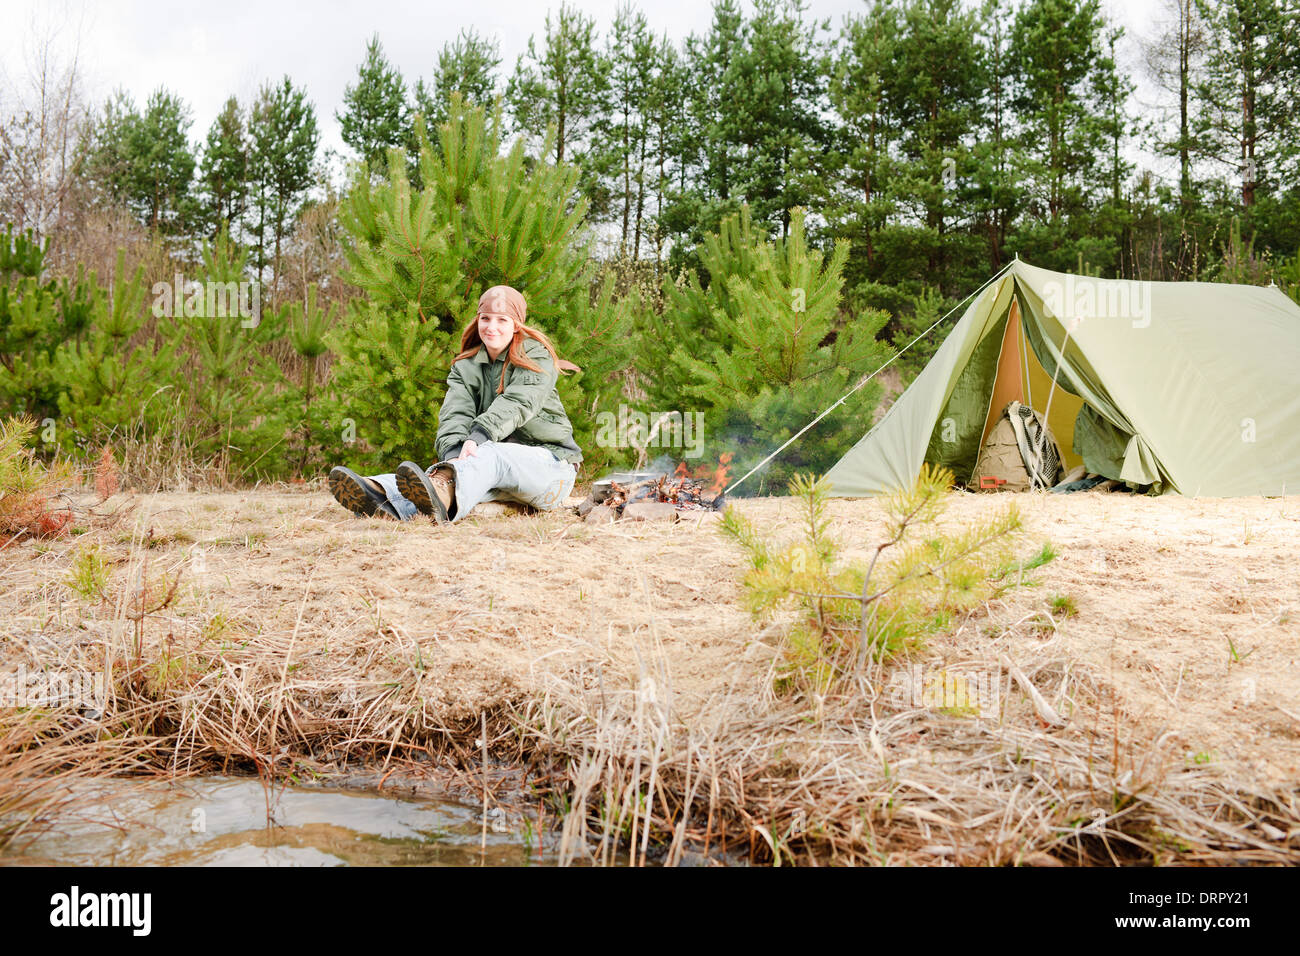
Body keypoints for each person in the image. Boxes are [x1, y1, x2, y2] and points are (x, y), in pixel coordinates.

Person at [327, 284, 582, 523]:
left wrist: (479, 436)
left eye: (502, 319)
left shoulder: (535, 356)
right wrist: (454, 455)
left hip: (552, 468)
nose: (491, 326)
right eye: (485, 318)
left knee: (488, 453)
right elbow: (455, 414)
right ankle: (378, 494)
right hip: (493, 470)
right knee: (456, 469)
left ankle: (439, 493)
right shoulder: (465, 366)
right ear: (478, 320)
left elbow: (518, 402)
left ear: (516, 325)